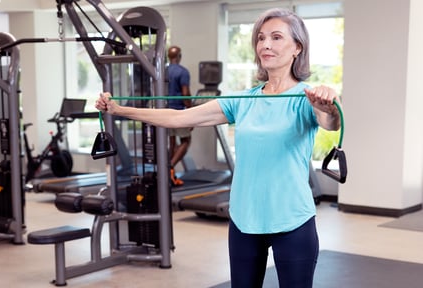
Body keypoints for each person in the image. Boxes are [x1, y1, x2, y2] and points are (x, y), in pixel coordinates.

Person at [96, 8, 341, 288]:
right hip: (244, 219)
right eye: (261, 38)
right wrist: (118, 109)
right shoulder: (244, 99)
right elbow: (178, 118)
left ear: (297, 47)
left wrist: (329, 105)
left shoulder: (306, 98)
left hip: (292, 219)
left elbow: (330, 122)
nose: (266, 45)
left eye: (276, 37)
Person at [166, 45, 192, 186]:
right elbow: (185, 93)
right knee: (186, 141)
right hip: (179, 110)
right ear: (179, 56)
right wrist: (191, 112)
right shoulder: (183, 72)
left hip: (166, 111)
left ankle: (170, 175)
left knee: (172, 143)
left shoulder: (163, 71)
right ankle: (169, 167)